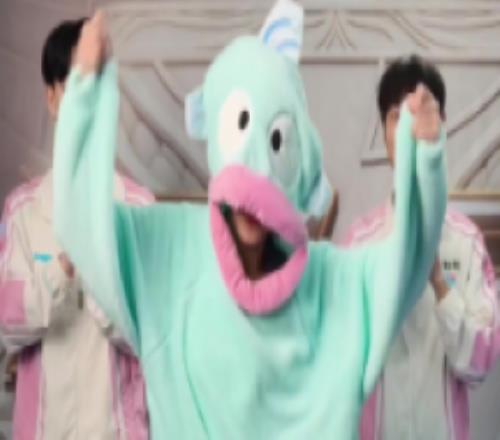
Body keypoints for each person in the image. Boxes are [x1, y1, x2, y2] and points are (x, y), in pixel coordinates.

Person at [52, 2, 447, 438]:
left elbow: (404, 269)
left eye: (275, 143)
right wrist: (85, 92)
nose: (257, 179)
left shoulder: (329, 284)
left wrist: (425, 162)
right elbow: (82, 224)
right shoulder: (170, 252)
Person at [0, 18, 151, 439]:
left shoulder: (139, 208)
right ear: (52, 97)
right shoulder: (22, 211)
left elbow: (153, 336)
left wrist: (99, 276)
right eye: (75, 88)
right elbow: (6, 324)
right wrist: (58, 275)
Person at [341, 55, 500, 440]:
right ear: (384, 131)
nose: (408, 129)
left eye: (419, 114)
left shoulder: (466, 243)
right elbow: (341, 362)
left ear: (440, 125)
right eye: (396, 117)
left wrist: (440, 283)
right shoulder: (358, 244)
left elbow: (480, 363)